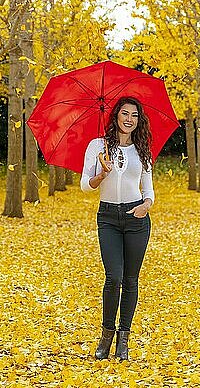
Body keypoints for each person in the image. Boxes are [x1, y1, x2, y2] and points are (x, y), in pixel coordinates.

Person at [80, 96, 154, 361]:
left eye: (134, 115)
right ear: (115, 116)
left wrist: (146, 205)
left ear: (139, 120)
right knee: (114, 277)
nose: (129, 119)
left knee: (131, 280)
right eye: (124, 113)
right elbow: (85, 185)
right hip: (108, 217)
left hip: (136, 218)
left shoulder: (142, 149)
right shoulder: (98, 146)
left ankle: (124, 339)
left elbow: (148, 188)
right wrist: (101, 174)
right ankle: (106, 335)